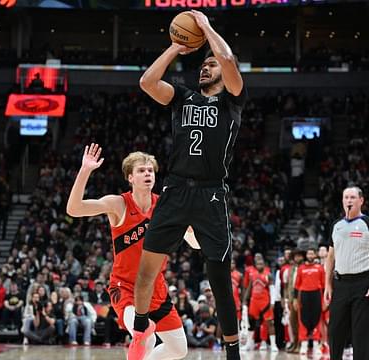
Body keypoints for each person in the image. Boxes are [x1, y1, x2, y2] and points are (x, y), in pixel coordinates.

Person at [131, 9, 246, 360]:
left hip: (211, 192)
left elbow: (226, 57)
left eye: (209, 65)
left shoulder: (232, 100)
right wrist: (174, 47)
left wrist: (207, 27)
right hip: (176, 189)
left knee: (219, 278)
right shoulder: (182, 97)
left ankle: (232, 351)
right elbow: (147, 83)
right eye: (203, 64)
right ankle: (139, 331)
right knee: (146, 270)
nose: (205, 67)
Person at [66, 144, 187, 360]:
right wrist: (85, 170)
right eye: (141, 170)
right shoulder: (119, 204)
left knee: (179, 350)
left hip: (156, 289)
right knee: (145, 334)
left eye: (150, 170)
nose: (147, 174)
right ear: (130, 177)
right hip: (126, 288)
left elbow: (193, 241)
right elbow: (74, 209)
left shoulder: (165, 206)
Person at [324, 186, 369, 360]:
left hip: (363, 284)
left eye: (353, 197)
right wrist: (327, 284)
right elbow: (330, 257)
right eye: (346, 197)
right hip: (340, 284)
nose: (349, 201)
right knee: (335, 331)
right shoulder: (336, 226)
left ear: (361, 201)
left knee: (361, 333)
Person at [294, 248, 326, 356]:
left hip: (316, 295)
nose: (310, 255)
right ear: (306, 255)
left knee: (317, 319)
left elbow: (324, 285)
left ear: (315, 255)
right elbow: (296, 285)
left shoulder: (320, 268)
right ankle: (304, 345)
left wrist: (325, 300)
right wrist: (294, 299)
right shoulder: (301, 268)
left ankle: (316, 345)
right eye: (309, 253)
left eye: (312, 253)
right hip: (304, 296)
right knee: (303, 320)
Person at [242, 257, 278, 352]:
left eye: (261, 264)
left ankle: (273, 345)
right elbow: (249, 289)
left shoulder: (268, 275)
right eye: (258, 264)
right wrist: (245, 301)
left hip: (265, 303)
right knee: (251, 324)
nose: (259, 266)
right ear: (255, 266)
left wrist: (272, 302)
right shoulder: (252, 275)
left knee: (270, 323)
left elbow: (272, 290)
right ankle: (248, 345)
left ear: (264, 265)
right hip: (254, 302)